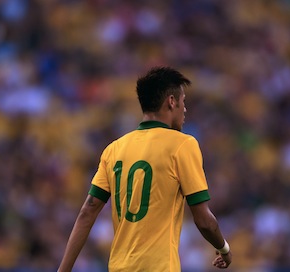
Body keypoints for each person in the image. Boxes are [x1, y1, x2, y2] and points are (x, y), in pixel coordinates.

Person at [57, 67, 232, 271]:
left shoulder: (114, 149)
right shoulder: (182, 144)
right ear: (172, 102)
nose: (184, 109)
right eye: (183, 101)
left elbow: (88, 211)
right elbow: (203, 220)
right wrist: (224, 248)